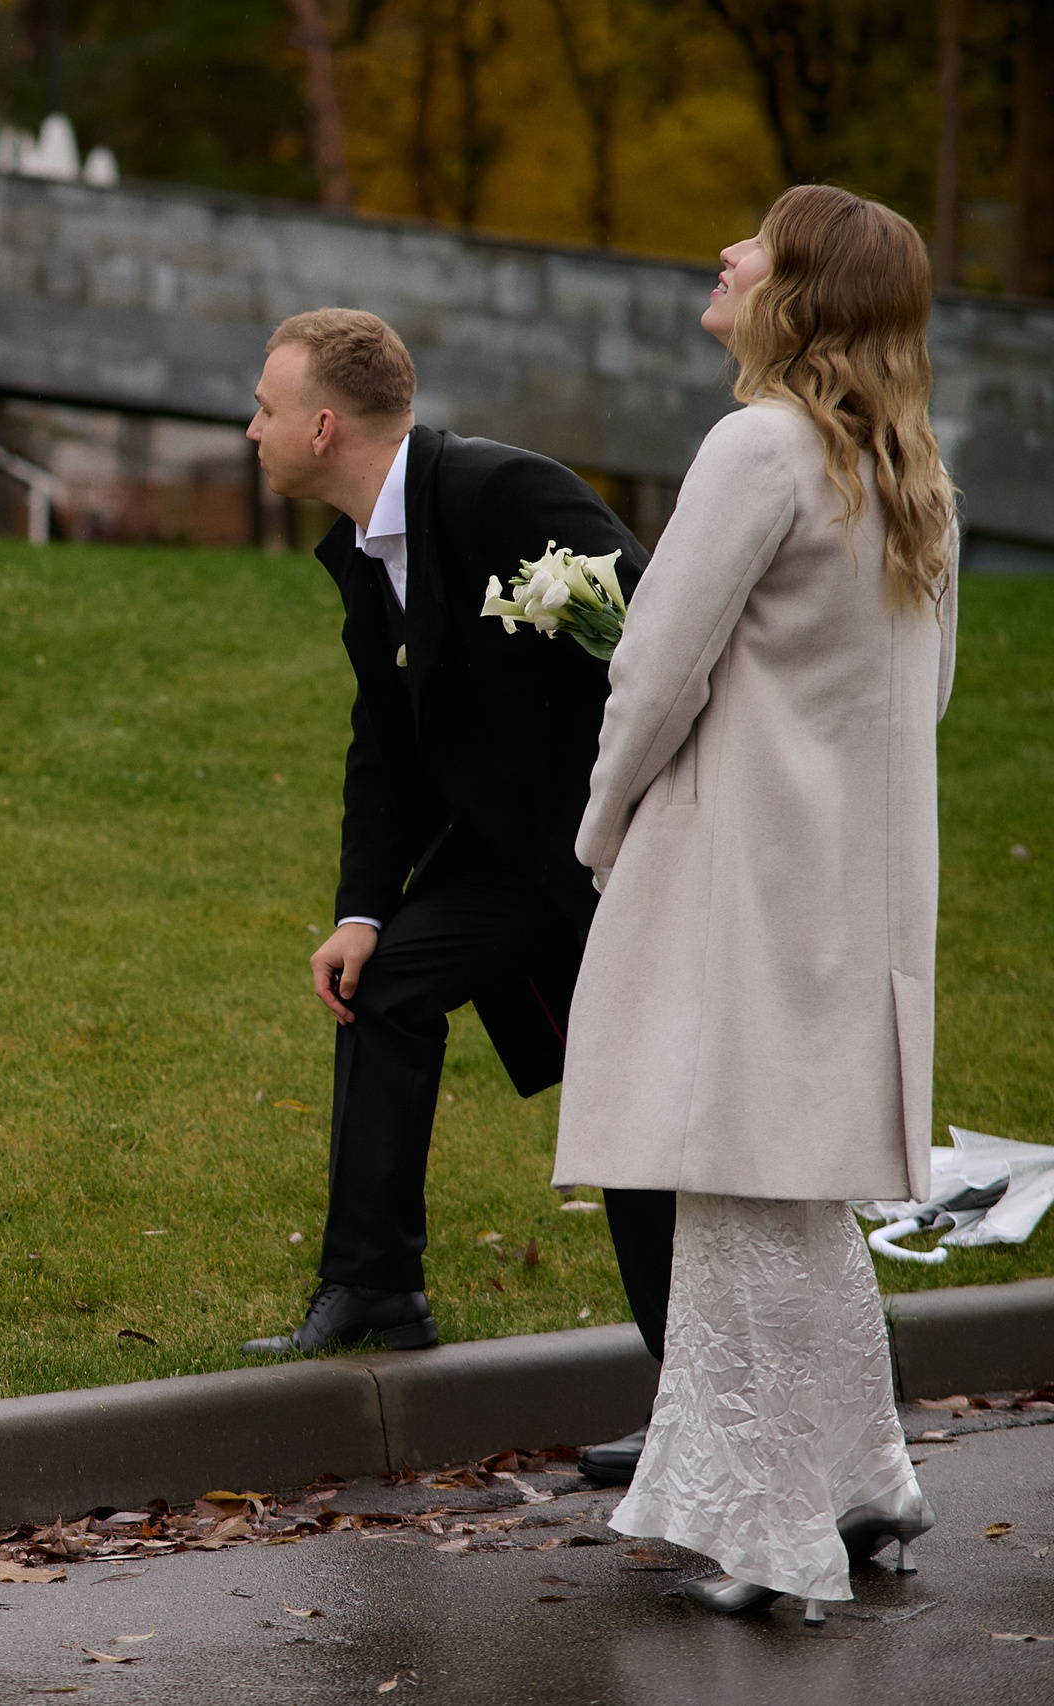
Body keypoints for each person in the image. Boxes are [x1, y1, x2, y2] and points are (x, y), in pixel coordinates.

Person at [554, 184, 960, 1622]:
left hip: (737, 884)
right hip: (848, 884)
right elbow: (924, 700)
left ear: (799, 292)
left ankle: (775, 1520)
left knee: (736, 1193)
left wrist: (603, 826)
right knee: (782, 1201)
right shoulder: (907, 466)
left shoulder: (758, 446)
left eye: (754, 245)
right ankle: (860, 1476)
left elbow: (654, 670)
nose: (722, 253)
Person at [239, 310, 676, 1486]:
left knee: (634, 1125)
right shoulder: (356, 549)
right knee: (380, 982)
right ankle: (375, 1281)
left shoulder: (506, 496)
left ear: (322, 425)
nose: (252, 429)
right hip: (508, 867)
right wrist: (362, 910)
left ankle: (692, 1397)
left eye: (266, 410)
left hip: (617, 862)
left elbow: (660, 646)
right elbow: (384, 747)